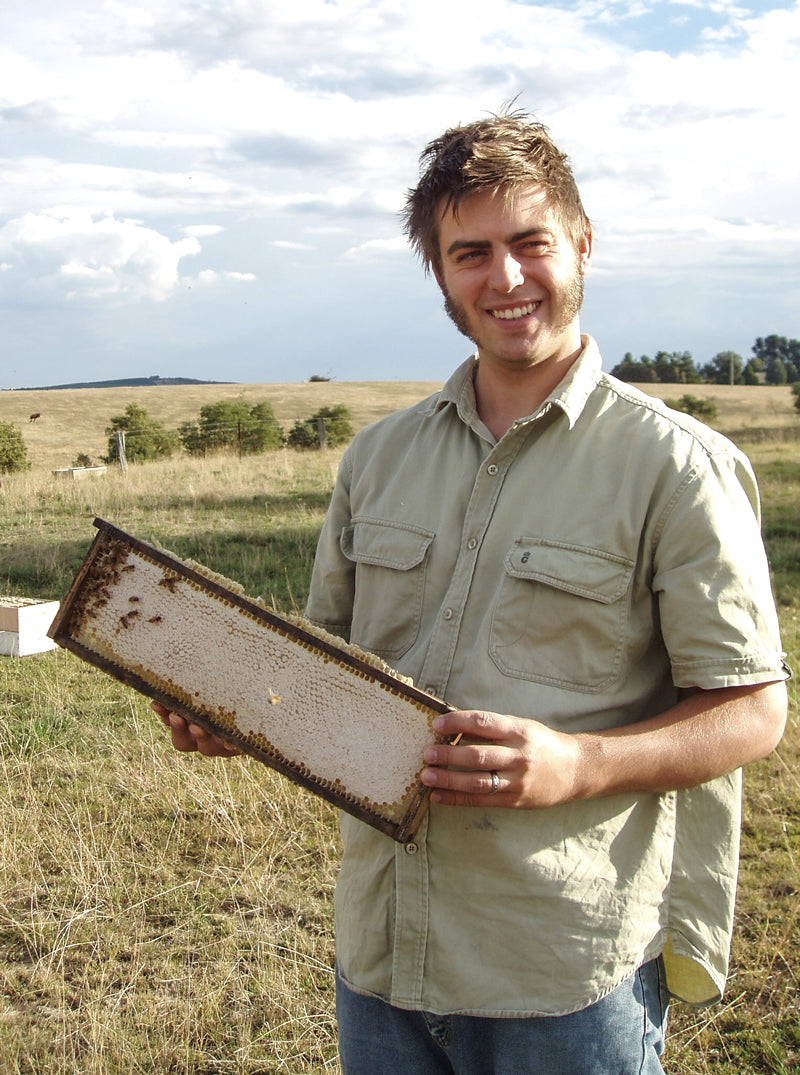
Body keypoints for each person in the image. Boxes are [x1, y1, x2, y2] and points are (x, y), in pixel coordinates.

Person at [157, 111, 789, 1074]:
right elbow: (317, 668)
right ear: (440, 272)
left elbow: (751, 710)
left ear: (581, 243)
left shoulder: (677, 466)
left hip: (561, 966)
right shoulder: (380, 457)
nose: (505, 278)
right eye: (471, 252)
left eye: (531, 242)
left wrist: (577, 763)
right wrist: (238, 709)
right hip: (382, 953)